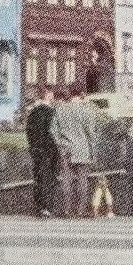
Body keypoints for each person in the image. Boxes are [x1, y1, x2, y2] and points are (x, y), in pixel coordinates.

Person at [51, 85, 98, 218]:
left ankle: (66, 210)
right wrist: (93, 153)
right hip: (83, 149)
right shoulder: (87, 111)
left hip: (65, 149)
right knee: (82, 180)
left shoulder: (60, 110)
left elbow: (53, 131)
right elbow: (91, 134)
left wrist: (60, 144)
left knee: (66, 180)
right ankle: (80, 210)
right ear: (81, 95)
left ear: (70, 95)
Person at [25, 87, 59, 217]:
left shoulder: (33, 112)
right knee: (48, 177)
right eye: (52, 94)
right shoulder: (51, 112)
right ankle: (47, 206)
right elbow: (53, 132)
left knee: (38, 177)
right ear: (48, 95)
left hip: (36, 149)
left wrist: (33, 145)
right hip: (48, 149)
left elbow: (29, 131)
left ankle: (39, 205)